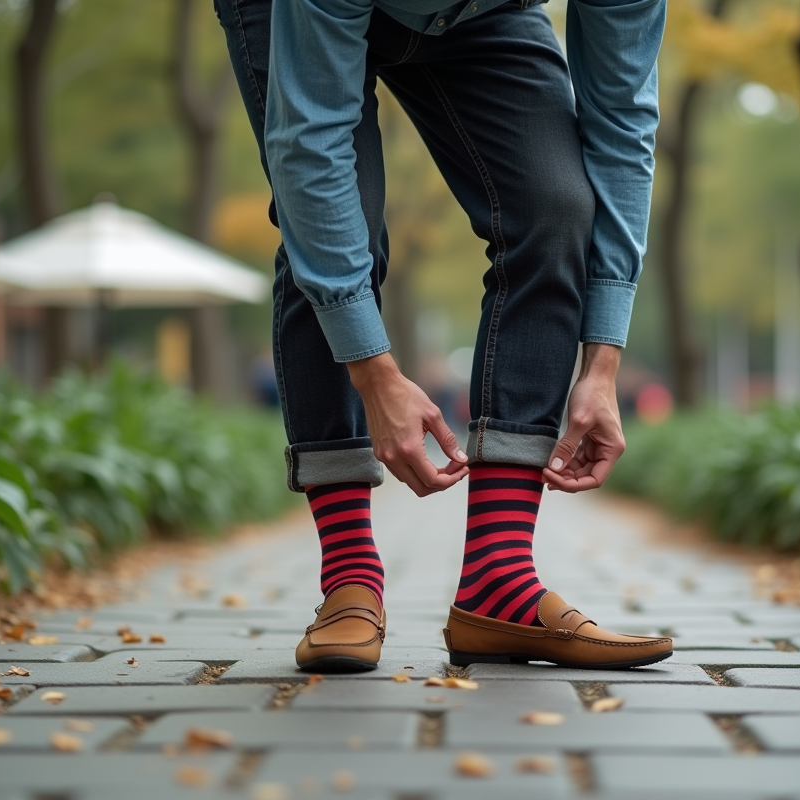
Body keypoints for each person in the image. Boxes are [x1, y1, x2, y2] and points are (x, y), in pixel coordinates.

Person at [214, 0, 671, 671]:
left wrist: (601, 364)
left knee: (553, 207)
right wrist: (374, 374)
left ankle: (499, 579)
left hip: (488, 12)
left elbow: (623, 120)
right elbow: (309, 148)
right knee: (337, 229)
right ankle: (349, 579)